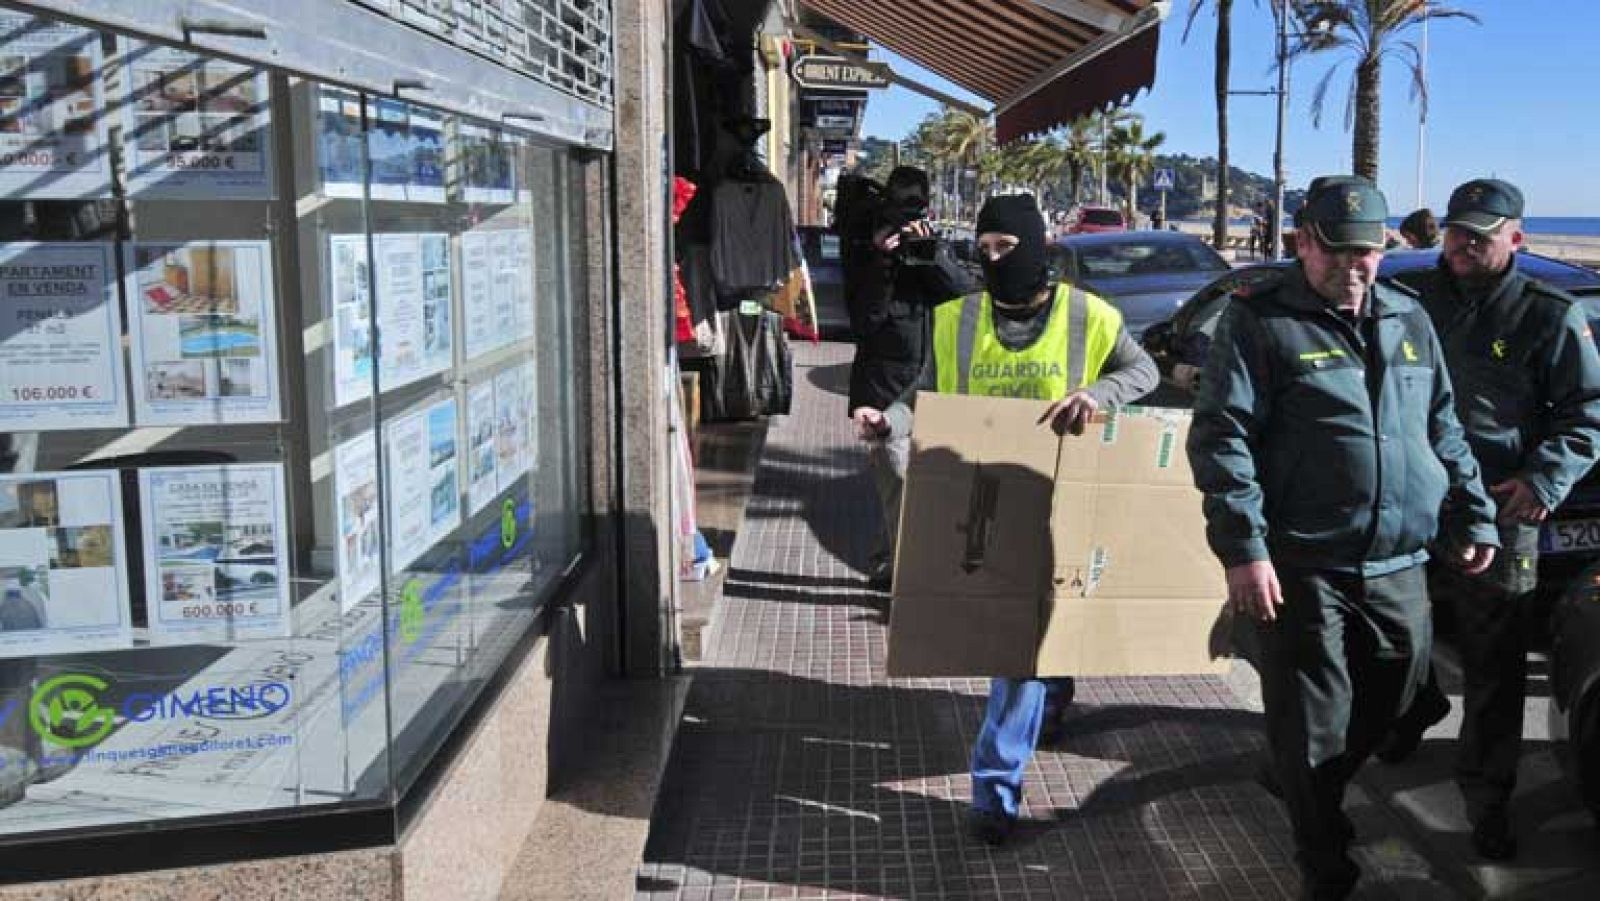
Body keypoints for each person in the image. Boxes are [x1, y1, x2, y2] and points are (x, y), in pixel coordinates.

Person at [1187, 175, 1500, 900]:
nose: (1353, 267)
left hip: (1399, 560)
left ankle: (1298, 779)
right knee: (1314, 727)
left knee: (1403, 698)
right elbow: (1222, 438)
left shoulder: (1409, 318)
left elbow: (1443, 427)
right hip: (1303, 562)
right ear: (1303, 242)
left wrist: (1474, 512)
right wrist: (1245, 548)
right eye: (1336, 251)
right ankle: (1324, 861)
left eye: (1367, 253)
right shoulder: (1261, 320)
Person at [854, 193, 1158, 846]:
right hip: (985, 503)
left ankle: (1034, 716)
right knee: (1016, 649)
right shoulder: (957, 321)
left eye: (1005, 249)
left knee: (1034, 642)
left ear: (1036, 249)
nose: (992, 260)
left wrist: (1095, 394)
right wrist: (890, 420)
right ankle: (997, 788)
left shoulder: (1089, 317)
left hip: (1065, 500)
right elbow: (925, 393)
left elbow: (1144, 369)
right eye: (984, 249)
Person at [1378, 179, 1600, 860]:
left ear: (1516, 238)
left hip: (1503, 520)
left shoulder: (1549, 315)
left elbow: (1588, 414)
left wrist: (1543, 478)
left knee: (1495, 668)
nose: (1464, 244)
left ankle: (1487, 799)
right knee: (1396, 638)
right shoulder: (1411, 300)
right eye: (1455, 231)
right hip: (1414, 505)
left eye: (1480, 233)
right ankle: (1415, 706)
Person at [841, 166, 973, 590]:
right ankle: (903, 577)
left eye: (917, 204)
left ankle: (888, 565)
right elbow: (863, 321)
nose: (908, 213)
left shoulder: (932, 244)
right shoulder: (866, 249)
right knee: (898, 482)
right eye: (902, 204)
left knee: (910, 490)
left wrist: (928, 251)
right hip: (883, 390)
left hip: (930, 388)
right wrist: (882, 260)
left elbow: (966, 296)